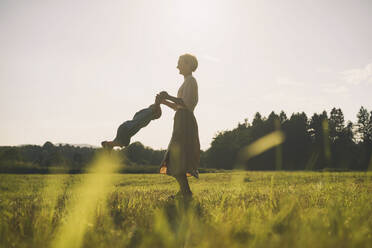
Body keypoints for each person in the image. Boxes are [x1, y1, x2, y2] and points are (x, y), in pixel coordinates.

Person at [158, 53, 200, 198]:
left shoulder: (191, 81)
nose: (177, 66)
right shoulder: (186, 82)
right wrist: (164, 101)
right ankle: (185, 192)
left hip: (185, 122)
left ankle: (186, 192)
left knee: (178, 157)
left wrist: (168, 96)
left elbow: (186, 104)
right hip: (181, 120)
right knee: (175, 157)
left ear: (188, 64)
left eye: (180, 63)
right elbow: (178, 106)